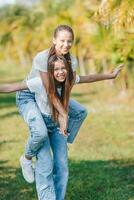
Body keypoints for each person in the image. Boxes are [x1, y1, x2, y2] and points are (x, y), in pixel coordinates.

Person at [0, 54, 123, 200]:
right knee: (45, 166)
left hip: (58, 126)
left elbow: (88, 78)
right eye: (56, 69)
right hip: (43, 127)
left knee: (62, 166)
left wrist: (111, 76)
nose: (60, 72)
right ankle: (28, 159)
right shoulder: (40, 82)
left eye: (63, 68)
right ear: (49, 73)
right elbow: (12, 87)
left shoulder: (69, 80)